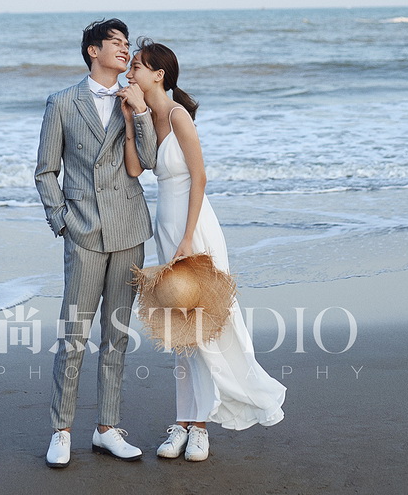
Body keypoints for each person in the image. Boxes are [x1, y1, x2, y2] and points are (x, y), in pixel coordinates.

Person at [122, 38, 286, 462]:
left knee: (208, 329)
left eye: (137, 66)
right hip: (167, 228)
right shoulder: (148, 116)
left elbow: (200, 177)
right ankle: (183, 421)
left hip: (194, 230)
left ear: (158, 75)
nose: (129, 72)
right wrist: (131, 118)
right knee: (180, 332)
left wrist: (187, 238)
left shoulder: (178, 116)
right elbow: (136, 169)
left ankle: (200, 428)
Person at [34, 19, 157, 467]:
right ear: (93, 51)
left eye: (127, 44)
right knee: (74, 336)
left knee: (117, 336)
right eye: (116, 43)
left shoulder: (134, 99)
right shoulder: (62, 102)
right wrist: (62, 221)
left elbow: (149, 161)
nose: (125, 50)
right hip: (83, 231)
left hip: (128, 230)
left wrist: (139, 112)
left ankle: (107, 428)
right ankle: (61, 430)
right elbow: (46, 170)